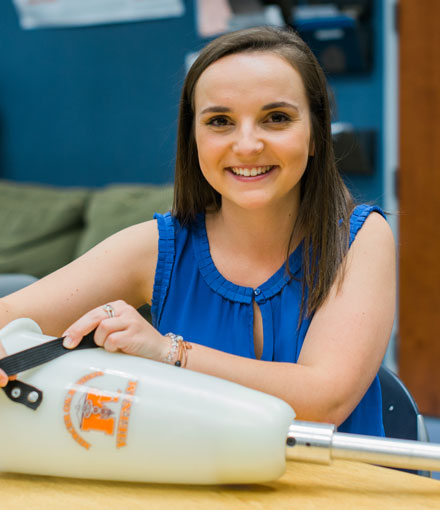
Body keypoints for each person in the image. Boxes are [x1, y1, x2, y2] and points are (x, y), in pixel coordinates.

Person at [0, 26, 395, 436]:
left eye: (276, 118)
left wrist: (167, 352)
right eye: (220, 121)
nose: (246, 145)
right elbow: (8, 313)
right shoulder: (159, 246)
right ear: (194, 139)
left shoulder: (362, 239)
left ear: (315, 133)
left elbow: (323, 401)